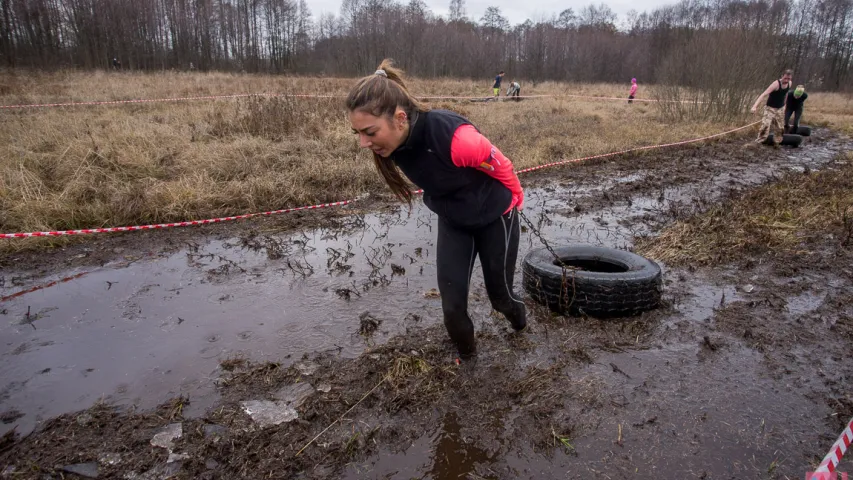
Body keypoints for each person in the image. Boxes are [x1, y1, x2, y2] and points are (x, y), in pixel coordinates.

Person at [346, 60, 527, 359]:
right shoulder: (391, 144)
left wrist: (516, 200)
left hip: (495, 216)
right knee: (453, 310)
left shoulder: (456, 139)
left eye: (370, 132)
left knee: (501, 299)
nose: (364, 143)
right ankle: (469, 366)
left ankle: (521, 331)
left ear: (400, 119)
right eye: (359, 134)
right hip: (455, 219)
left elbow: (501, 165)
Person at [750, 69, 793, 145]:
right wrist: (754, 106)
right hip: (770, 108)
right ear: (782, 76)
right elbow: (763, 94)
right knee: (765, 125)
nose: (786, 80)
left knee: (780, 128)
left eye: (788, 79)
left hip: (780, 108)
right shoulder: (776, 84)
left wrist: (785, 105)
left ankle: (777, 143)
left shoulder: (789, 83)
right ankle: (758, 143)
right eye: (785, 78)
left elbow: (785, 94)